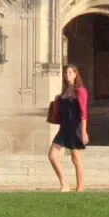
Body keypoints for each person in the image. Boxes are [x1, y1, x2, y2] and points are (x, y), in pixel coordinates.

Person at [47, 63, 90, 192]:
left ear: (76, 74)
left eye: (70, 72)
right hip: (64, 128)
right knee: (52, 155)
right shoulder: (64, 92)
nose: (68, 74)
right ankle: (64, 184)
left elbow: (84, 112)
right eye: (66, 73)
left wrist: (83, 131)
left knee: (76, 158)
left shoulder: (80, 91)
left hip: (75, 127)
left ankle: (80, 188)